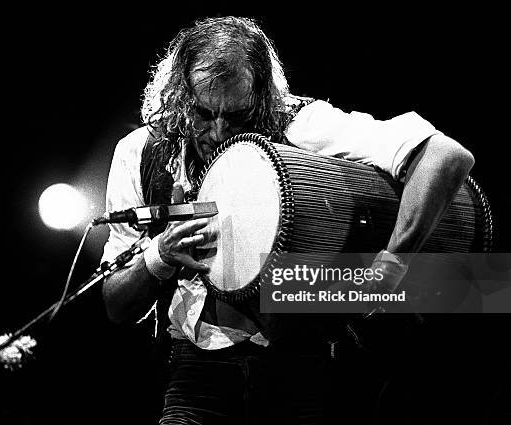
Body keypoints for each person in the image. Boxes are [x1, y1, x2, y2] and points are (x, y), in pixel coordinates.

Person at [100, 16, 474, 424]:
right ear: (177, 96)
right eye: (205, 114)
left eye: (239, 116)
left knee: (485, 289)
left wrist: (390, 269)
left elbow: (447, 156)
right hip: (195, 370)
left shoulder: (301, 123)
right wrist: (160, 254)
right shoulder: (141, 154)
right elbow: (116, 307)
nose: (220, 131)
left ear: (263, 98)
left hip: (301, 366)